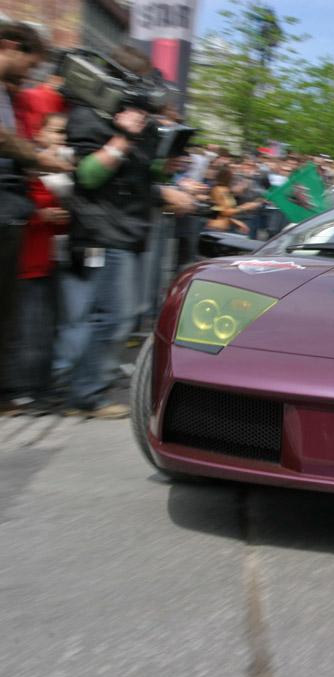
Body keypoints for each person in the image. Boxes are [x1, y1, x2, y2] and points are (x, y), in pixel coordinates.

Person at [62, 45, 194, 419]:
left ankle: (91, 384)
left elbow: (144, 178)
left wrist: (167, 166)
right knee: (112, 316)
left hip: (132, 230)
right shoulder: (89, 116)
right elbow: (87, 176)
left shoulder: (146, 125)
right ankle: (86, 394)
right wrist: (120, 137)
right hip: (102, 231)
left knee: (124, 314)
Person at [0, 22, 74, 415]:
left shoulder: (8, 94)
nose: (29, 74)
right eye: (28, 64)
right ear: (10, 46)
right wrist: (36, 157)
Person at [206, 165, 264, 231]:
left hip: (223, 228)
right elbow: (224, 212)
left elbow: (219, 212)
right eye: (233, 172)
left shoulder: (224, 189)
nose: (235, 175)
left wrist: (234, 221)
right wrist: (246, 207)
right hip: (216, 228)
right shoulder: (219, 190)